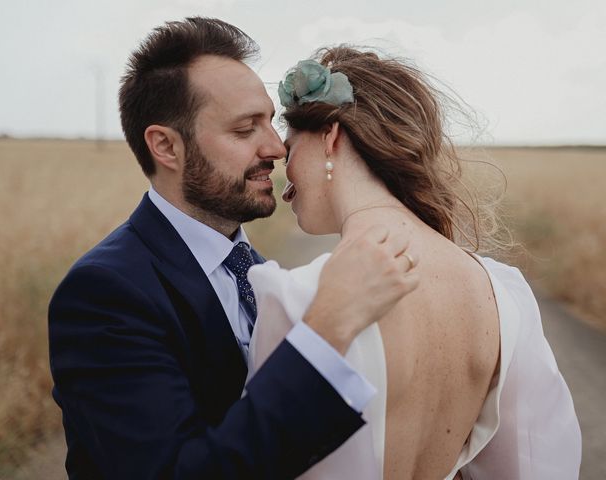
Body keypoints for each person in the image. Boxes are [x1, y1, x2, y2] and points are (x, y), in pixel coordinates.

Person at [48, 18, 420, 480]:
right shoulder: (104, 294)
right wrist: (328, 327)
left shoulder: (259, 272)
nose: (276, 148)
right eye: (245, 130)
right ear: (166, 146)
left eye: (271, 122)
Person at [246, 49, 582, 479]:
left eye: (290, 148)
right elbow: (536, 465)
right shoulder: (500, 293)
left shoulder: (301, 301)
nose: (282, 168)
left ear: (330, 136)